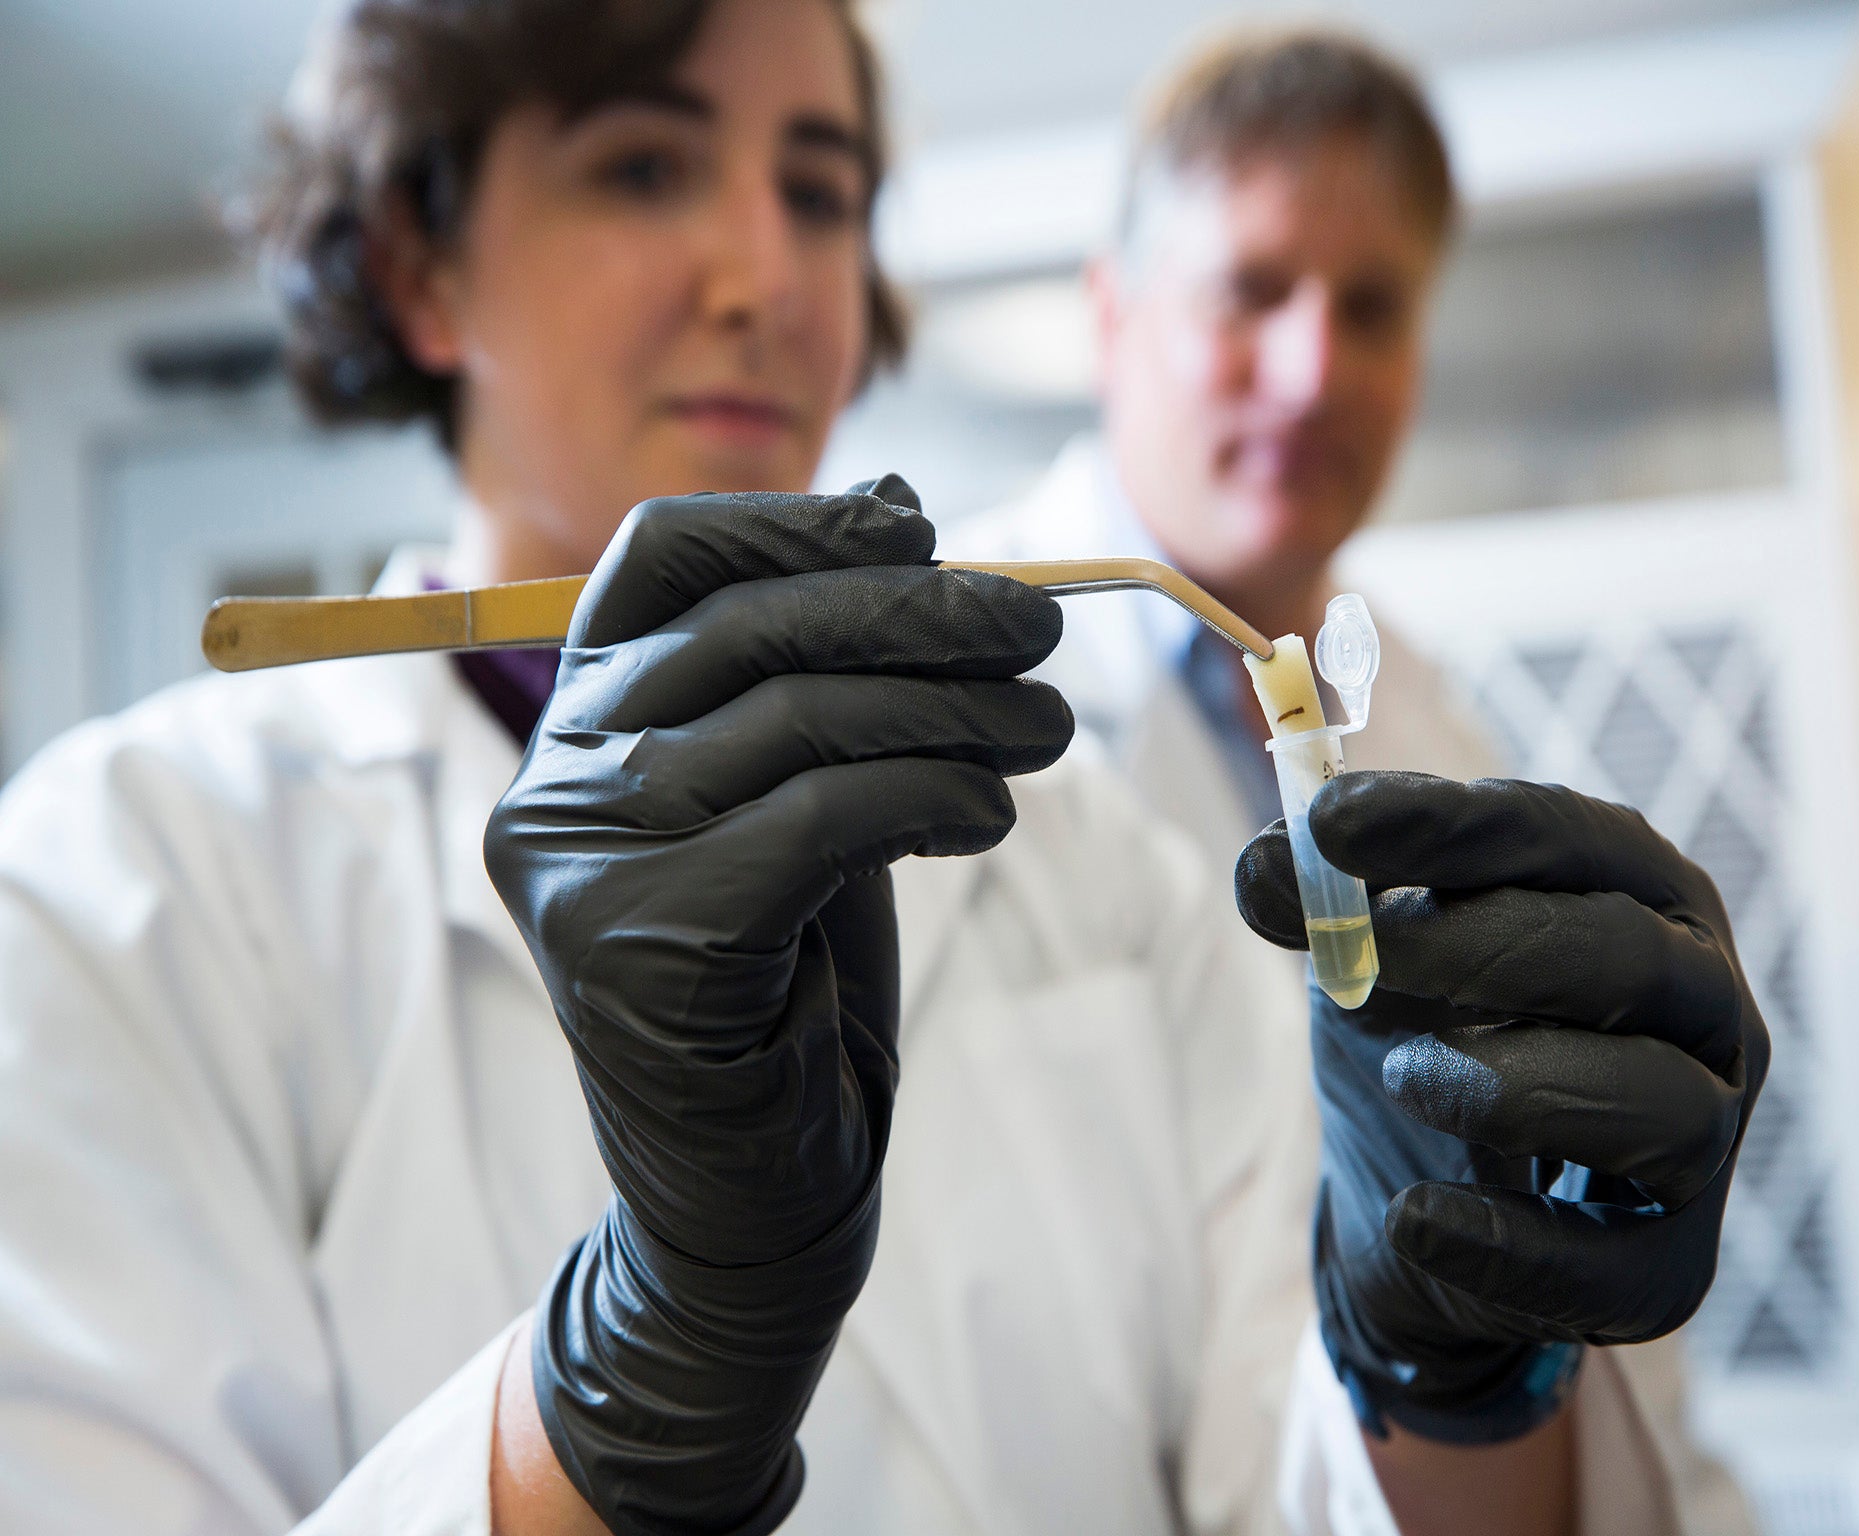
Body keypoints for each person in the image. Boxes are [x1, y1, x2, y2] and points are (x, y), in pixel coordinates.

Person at [0, 4, 1767, 1535]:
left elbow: (1300, 1486)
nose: (768, 278)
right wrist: (631, 1381)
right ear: (420, 266)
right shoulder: (119, 890)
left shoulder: (1088, 860)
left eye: (823, 190)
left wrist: (1447, 1368)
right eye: (641, 165)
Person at [951, 25, 1759, 1534]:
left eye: (1373, 306)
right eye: (1253, 289)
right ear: (1113, 316)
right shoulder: (949, 702)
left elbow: (1626, 1402)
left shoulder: (1449, 749)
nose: (1317, 367)